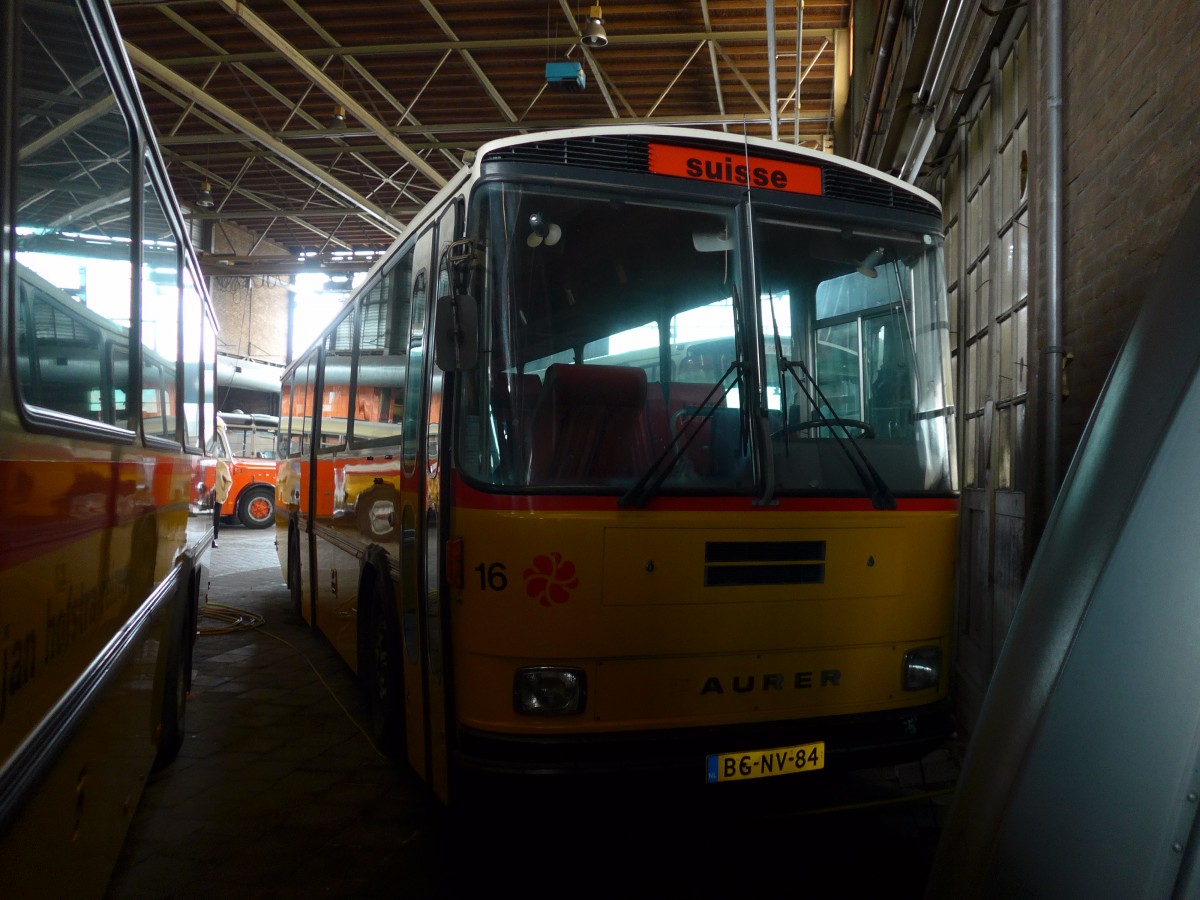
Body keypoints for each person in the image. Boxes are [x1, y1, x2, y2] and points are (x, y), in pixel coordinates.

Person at [212, 419, 233, 548]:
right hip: (206, 495)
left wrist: (224, 494)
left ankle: (214, 538)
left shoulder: (221, 464)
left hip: (217, 495)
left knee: (215, 518)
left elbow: (229, 481)